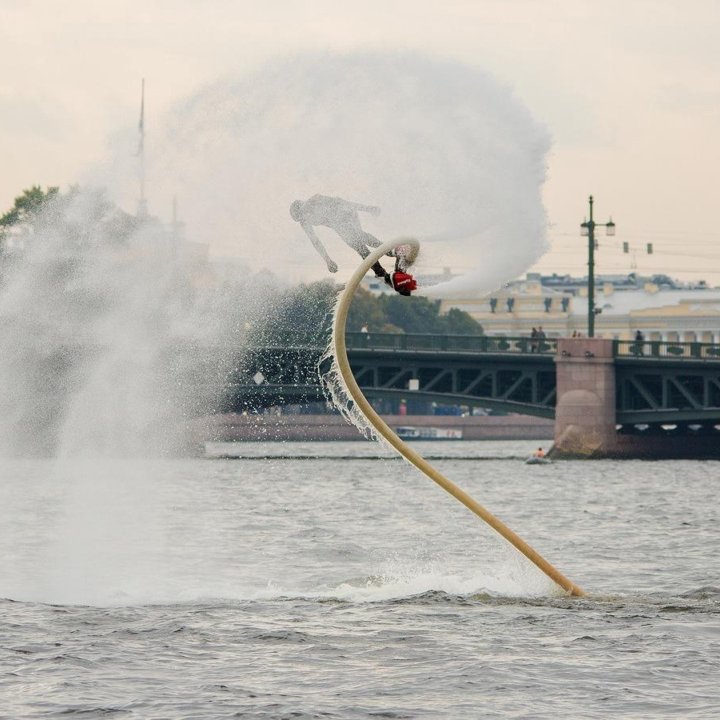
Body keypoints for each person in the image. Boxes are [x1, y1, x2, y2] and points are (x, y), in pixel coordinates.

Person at [290, 194, 388, 278]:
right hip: (338, 225)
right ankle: (381, 271)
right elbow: (315, 241)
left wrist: (367, 208)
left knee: (358, 238)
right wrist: (327, 260)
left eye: (303, 214)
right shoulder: (303, 222)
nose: (304, 218)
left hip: (346, 213)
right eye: (300, 218)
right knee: (359, 247)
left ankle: (388, 252)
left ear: (304, 207)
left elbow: (342, 202)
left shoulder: (315, 200)